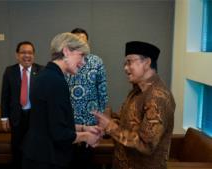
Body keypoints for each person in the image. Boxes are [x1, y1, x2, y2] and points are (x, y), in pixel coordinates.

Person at [22, 32, 101, 169]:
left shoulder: (46, 75)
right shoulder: (55, 81)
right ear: (66, 51)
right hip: (47, 159)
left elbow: (50, 122)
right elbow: (59, 134)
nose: (83, 63)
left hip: (37, 155)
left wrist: (83, 127)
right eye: (81, 55)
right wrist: (86, 136)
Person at [94, 41, 176, 169]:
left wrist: (109, 126)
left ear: (147, 62)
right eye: (125, 63)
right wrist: (108, 117)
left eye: (129, 62)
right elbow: (125, 124)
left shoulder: (158, 97)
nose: (125, 68)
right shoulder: (136, 91)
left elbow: (146, 144)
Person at [66, 28, 108, 169]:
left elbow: (102, 92)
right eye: (76, 39)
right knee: (68, 159)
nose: (80, 42)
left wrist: (101, 119)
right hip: (69, 121)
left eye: (82, 39)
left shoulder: (97, 62)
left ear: (87, 42)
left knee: (87, 161)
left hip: (90, 120)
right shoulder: (65, 62)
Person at [0, 41, 43, 169]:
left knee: (35, 148)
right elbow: (5, 96)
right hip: (17, 116)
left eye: (30, 53)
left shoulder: (41, 70)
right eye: (23, 52)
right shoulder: (9, 71)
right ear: (17, 55)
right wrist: (4, 117)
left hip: (36, 117)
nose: (27, 55)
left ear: (33, 55)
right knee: (17, 148)